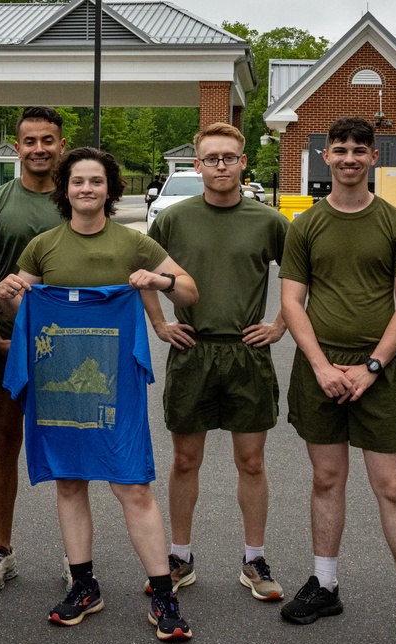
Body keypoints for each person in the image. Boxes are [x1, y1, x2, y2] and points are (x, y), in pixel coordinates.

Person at [0, 147, 198, 641]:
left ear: (110, 190)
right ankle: (84, 584)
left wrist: (160, 280)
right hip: (58, 381)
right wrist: (9, 294)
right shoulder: (43, 246)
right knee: (69, 482)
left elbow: (189, 291)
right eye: (78, 181)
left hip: (115, 385)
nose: (87, 189)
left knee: (132, 485)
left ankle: (163, 594)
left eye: (96, 182)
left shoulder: (133, 242)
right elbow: (22, 303)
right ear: (64, 190)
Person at [278, 117, 396, 644]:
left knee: (392, 487)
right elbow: (291, 302)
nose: (349, 158)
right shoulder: (304, 226)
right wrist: (323, 366)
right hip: (320, 371)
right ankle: (325, 585)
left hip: (381, 372)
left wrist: (372, 367)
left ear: (375, 158)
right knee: (327, 480)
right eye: (339, 150)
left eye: (359, 150)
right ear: (324, 158)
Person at [144, 122, 289, 601]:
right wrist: (161, 325)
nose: (221, 166)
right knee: (186, 460)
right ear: (198, 164)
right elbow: (143, 274)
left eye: (229, 157)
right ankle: (180, 556)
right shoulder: (173, 219)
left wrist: (281, 324)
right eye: (212, 158)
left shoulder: (267, 221)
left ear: (243, 163)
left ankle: (254, 559)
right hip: (193, 351)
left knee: (251, 461)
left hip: (247, 351)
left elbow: (302, 277)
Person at [0, 106, 65, 591]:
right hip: (5, 345)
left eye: (48, 140)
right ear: (17, 147)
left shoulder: (77, 199)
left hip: (66, 347)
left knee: (70, 447)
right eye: (30, 141)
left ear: (61, 146)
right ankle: (2, 548)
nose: (39, 149)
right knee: (6, 442)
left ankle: (77, 557)